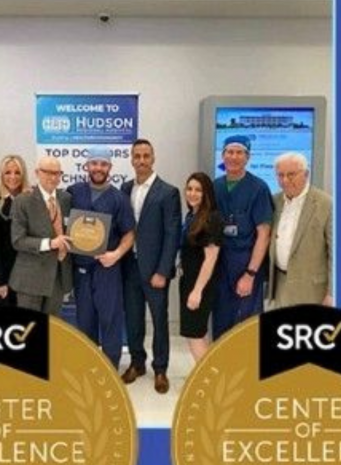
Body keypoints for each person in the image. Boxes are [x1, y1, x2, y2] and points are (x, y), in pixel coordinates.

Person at [121, 138, 181, 393]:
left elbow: (172, 234)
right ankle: (137, 363)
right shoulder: (125, 188)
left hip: (155, 270)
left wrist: (163, 271)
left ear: (153, 158)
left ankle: (160, 369)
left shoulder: (168, 192)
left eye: (146, 156)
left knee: (159, 320)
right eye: (137, 156)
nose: (142, 161)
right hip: (129, 267)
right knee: (133, 319)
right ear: (131, 159)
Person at [68, 148, 135, 367]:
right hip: (81, 268)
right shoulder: (73, 192)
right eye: (94, 163)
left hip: (108, 269)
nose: (98, 168)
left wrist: (116, 254)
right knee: (84, 319)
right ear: (87, 166)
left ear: (110, 168)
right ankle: (89, 365)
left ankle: (110, 366)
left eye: (103, 164)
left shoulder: (119, 198)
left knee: (110, 318)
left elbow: (129, 233)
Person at [212, 134, 272, 338]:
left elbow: (264, 234)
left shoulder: (258, 188)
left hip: (245, 263)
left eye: (239, 153)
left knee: (246, 325)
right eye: (230, 152)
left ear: (248, 157)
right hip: (220, 265)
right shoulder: (215, 187)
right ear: (223, 156)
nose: (234, 157)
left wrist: (250, 274)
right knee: (221, 322)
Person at [10, 155, 73, 316]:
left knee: (52, 326)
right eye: (47, 172)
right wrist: (50, 244)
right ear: (37, 173)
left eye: (57, 173)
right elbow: (18, 240)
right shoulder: (23, 200)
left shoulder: (66, 199)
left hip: (58, 276)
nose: (53, 177)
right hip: (30, 278)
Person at [269, 151, 333, 309]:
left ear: (306, 174)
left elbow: (335, 253)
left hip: (312, 291)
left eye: (291, 175)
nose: (285, 180)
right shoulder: (274, 202)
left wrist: (332, 293)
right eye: (280, 175)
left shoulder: (325, 204)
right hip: (280, 286)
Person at [178, 173, 224, 364]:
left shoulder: (211, 218)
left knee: (194, 334)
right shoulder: (192, 215)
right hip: (189, 281)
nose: (192, 193)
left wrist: (197, 291)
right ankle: (208, 374)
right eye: (189, 189)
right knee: (199, 333)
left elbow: (210, 259)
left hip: (200, 285)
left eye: (198, 190)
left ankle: (209, 378)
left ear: (207, 194)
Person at [0, 154, 27, 307]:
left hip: (30, 274)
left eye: (17, 172)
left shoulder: (32, 201)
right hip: (7, 276)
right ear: (1, 175)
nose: (12, 177)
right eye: (8, 172)